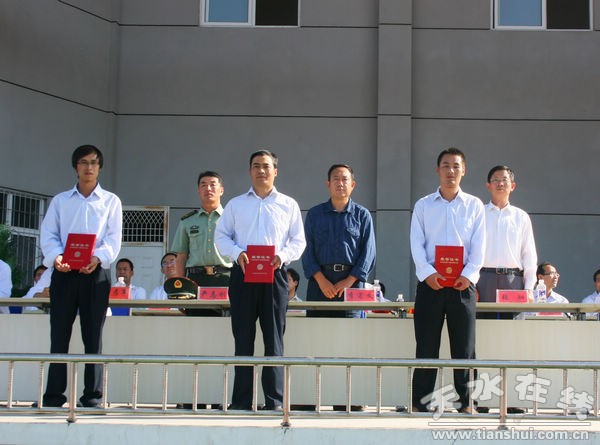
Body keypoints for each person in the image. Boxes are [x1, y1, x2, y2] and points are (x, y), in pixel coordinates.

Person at [215, 149, 306, 411]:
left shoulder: (288, 204)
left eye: (266, 166)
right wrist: (237, 253)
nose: (261, 170)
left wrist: (282, 256)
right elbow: (221, 237)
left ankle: (274, 400)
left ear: (275, 171)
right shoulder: (236, 204)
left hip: (275, 275)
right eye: (256, 166)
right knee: (243, 338)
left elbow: (299, 241)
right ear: (249, 171)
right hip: (243, 274)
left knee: (274, 339)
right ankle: (241, 401)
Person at [38, 144, 122, 408]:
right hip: (64, 274)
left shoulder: (111, 201)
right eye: (83, 162)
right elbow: (49, 235)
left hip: (95, 274)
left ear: (100, 168)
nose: (89, 167)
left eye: (94, 162)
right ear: (75, 167)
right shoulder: (61, 201)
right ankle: (53, 397)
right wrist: (56, 257)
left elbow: (113, 239)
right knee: (59, 335)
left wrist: (97, 257)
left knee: (93, 336)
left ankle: (93, 396)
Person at [410, 147, 485, 414]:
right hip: (430, 284)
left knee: (465, 346)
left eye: (456, 166)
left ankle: (467, 402)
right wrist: (427, 273)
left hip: (462, 285)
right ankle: (421, 402)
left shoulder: (474, 205)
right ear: (437, 170)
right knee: (426, 344)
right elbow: (416, 243)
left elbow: (479, 246)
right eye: (445, 165)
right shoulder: (423, 205)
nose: (450, 171)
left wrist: (468, 275)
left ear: (464, 170)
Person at [302, 164, 376, 318]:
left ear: (352, 185)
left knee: (352, 332)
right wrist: (321, 280)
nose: (340, 183)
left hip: (352, 285)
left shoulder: (362, 215)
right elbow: (307, 250)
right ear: (328, 184)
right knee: (318, 331)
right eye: (336, 179)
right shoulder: (315, 214)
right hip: (320, 285)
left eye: (345, 179)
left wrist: (348, 281)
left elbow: (368, 253)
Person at [477, 166, 537, 319]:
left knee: (513, 328)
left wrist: (529, 288)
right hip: (483, 279)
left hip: (513, 280)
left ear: (513, 186)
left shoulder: (521, 216)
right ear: (488, 185)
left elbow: (529, 254)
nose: (500, 184)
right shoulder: (478, 213)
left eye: (505, 180)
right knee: (483, 327)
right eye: (495, 180)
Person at [171, 171, 232, 316]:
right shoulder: (187, 221)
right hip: (196, 281)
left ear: (221, 190)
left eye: (213, 184)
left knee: (226, 325)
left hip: (225, 279)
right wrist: (180, 290)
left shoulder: (231, 219)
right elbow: (181, 257)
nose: (208, 189)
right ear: (198, 191)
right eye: (203, 185)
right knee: (196, 324)